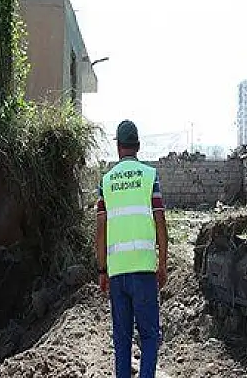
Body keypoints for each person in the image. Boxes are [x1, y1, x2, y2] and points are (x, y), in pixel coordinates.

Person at [95, 119, 169, 378]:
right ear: (137, 145)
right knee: (149, 336)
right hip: (144, 271)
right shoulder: (149, 176)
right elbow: (160, 221)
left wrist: (102, 270)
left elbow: (101, 229)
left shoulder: (106, 181)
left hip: (117, 274)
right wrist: (162, 264)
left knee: (122, 340)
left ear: (118, 148)